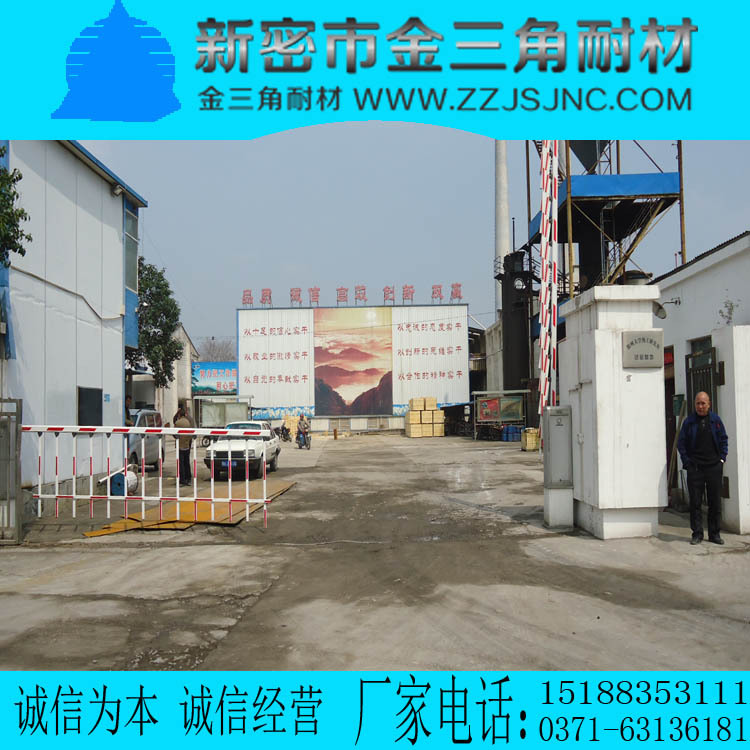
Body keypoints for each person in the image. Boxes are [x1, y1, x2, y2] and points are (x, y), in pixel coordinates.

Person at [677, 391, 729, 545]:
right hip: (695, 468)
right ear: (695, 405)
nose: (700, 406)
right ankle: (697, 534)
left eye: (703, 403)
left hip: (714, 467)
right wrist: (687, 462)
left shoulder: (715, 420)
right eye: (698, 403)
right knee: (695, 503)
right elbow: (681, 443)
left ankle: (714, 534)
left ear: (709, 404)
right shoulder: (689, 422)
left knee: (715, 503)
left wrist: (722, 459)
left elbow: (723, 439)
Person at [174, 404, 195, 486]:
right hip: (187, 444)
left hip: (180, 445)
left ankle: (182, 479)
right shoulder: (188, 421)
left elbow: (175, 434)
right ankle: (188, 477)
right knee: (187, 462)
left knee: (181, 463)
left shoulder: (178, 422)